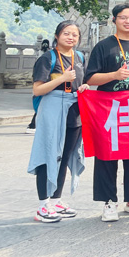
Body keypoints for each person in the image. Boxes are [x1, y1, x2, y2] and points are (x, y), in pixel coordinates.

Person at [85, 3, 129, 221]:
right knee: (107, 155)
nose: (127, 21)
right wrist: (114, 75)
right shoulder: (104, 47)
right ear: (114, 20)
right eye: (123, 17)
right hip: (109, 109)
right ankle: (108, 202)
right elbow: (90, 78)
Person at [28, 21, 89, 222]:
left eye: (74, 35)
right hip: (53, 111)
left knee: (64, 157)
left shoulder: (79, 57)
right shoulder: (48, 58)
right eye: (66, 33)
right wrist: (62, 78)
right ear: (56, 36)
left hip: (74, 112)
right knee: (48, 156)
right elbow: (38, 89)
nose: (70, 37)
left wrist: (83, 87)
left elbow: (80, 81)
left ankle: (56, 200)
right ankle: (43, 205)